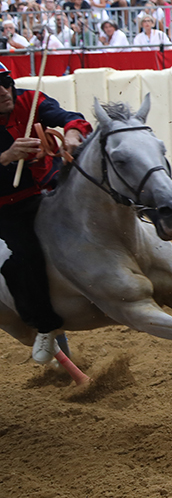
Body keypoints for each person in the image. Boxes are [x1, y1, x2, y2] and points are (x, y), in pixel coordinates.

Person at [0, 60, 91, 363]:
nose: (3, 92)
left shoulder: (30, 100)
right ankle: (44, 325)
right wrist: (6, 156)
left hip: (48, 191)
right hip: (8, 207)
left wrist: (73, 133)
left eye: (5, 82)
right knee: (25, 258)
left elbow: (70, 118)